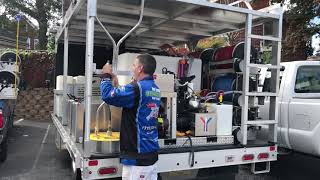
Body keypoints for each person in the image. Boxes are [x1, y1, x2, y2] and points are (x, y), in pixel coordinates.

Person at [100, 54, 160, 180]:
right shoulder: (155, 88)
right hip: (149, 154)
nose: (132, 68)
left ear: (140, 68)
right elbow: (134, 101)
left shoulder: (137, 88)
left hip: (137, 158)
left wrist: (105, 76)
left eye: (133, 65)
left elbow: (107, 95)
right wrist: (116, 87)